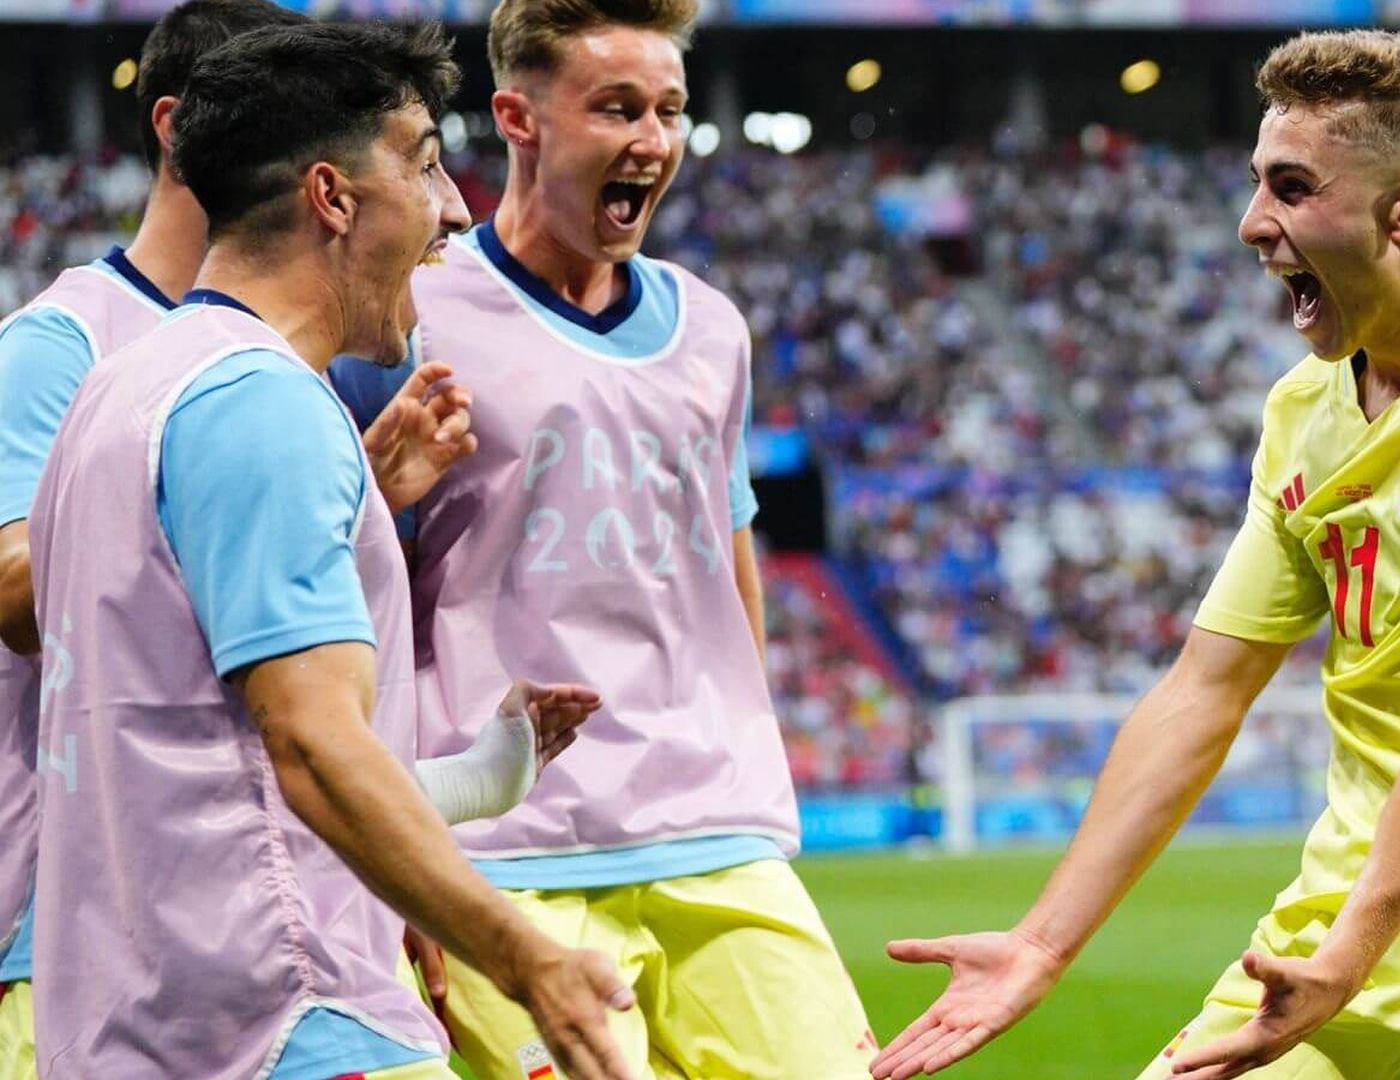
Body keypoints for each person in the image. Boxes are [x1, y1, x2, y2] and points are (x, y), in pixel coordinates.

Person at [873, 29, 1400, 1080]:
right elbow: (1204, 690)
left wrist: (1350, 960)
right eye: (1256, 182)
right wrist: (1041, 944)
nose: (1252, 222)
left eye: (1291, 187)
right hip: (1345, 898)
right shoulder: (1306, 407)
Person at [27, 22, 636, 1080]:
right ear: (333, 197)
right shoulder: (265, 405)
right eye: (426, 163)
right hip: (287, 1020)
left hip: (138, 1038)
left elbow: (201, 759)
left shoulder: (125, 391)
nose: (456, 208)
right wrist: (526, 957)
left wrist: (485, 776)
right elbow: (308, 748)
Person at [329, 1, 875, 1076]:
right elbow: (347, 591)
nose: (653, 141)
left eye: (669, 110)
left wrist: (744, 749)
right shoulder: (409, 313)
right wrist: (388, 865)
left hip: (712, 834)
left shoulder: (711, 326)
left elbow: (728, 563)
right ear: (517, 119)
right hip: (504, 852)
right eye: (617, 108)